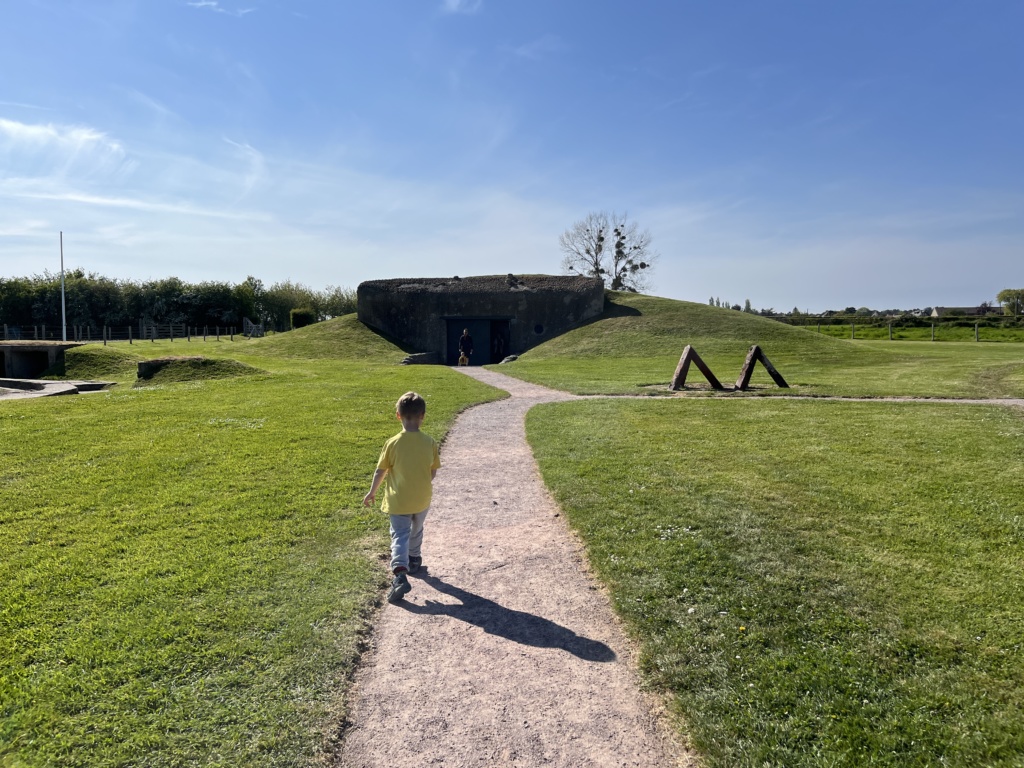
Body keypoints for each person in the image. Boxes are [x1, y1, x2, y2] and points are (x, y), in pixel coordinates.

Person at [362, 392, 441, 603]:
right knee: (417, 529)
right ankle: (414, 559)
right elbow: (432, 472)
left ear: (398, 415)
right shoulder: (429, 442)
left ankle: (399, 573)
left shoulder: (393, 443)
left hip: (398, 501)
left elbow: (381, 471)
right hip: (422, 499)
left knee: (399, 534)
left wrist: (372, 492)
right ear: (423, 415)